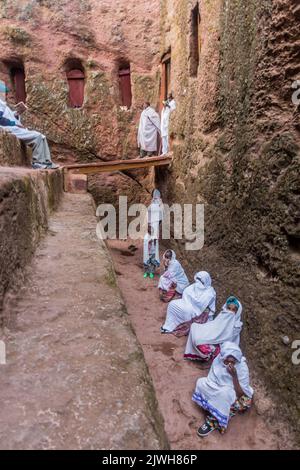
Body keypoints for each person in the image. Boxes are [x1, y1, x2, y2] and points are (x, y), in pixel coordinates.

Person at [193, 342, 254, 437]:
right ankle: (217, 407)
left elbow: (241, 394)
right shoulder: (218, 360)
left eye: (232, 362)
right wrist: (217, 390)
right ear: (222, 358)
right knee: (201, 382)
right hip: (218, 388)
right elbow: (211, 380)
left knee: (226, 395)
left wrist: (234, 376)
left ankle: (213, 421)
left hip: (234, 393)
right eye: (226, 362)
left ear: (237, 360)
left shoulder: (242, 368)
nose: (229, 364)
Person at [0, 82, 58, 169]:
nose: (7, 95)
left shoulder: (4, 104)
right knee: (38, 136)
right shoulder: (1, 103)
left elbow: (8, 116)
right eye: (5, 92)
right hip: (9, 128)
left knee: (42, 136)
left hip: (14, 127)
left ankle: (47, 162)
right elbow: (1, 120)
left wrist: (16, 114)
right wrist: (14, 124)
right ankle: (38, 163)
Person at [184, 296, 243, 362]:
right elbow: (214, 326)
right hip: (214, 337)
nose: (230, 311)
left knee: (199, 341)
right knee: (194, 327)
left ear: (237, 312)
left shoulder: (237, 326)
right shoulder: (223, 314)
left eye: (233, 310)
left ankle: (210, 354)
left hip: (220, 344)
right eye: (229, 308)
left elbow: (227, 338)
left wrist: (214, 339)